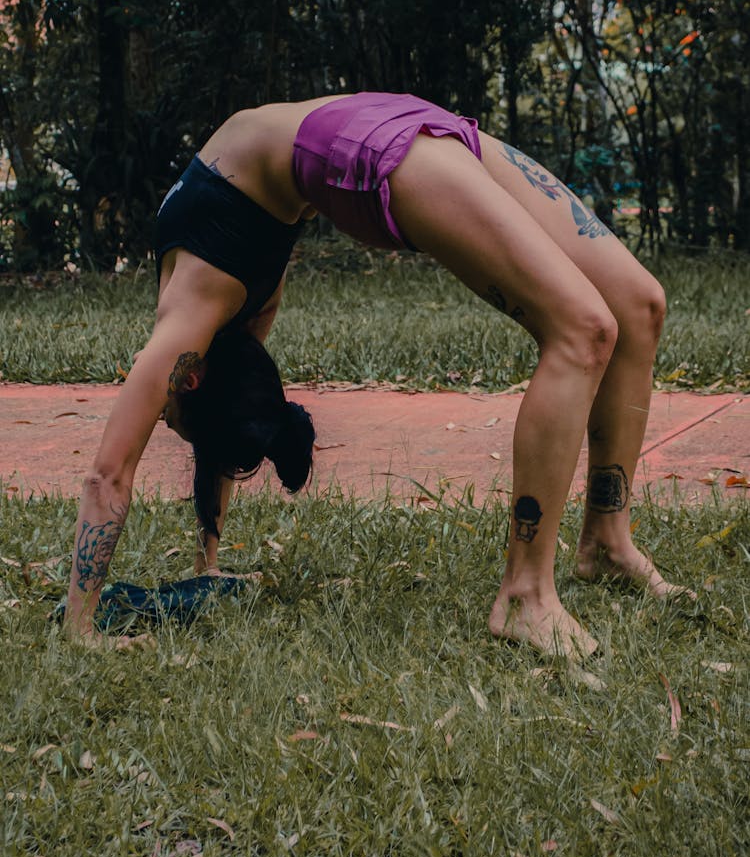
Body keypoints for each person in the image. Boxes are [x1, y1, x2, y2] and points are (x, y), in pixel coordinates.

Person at [64, 92, 692, 658]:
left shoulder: (185, 325)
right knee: (590, 327)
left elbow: (109, 472)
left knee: (636, 307)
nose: (160, 409)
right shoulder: (232, 317)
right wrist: (209, 564)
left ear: (191, 380)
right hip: (388, 128)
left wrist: (82, 624)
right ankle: (527, 596)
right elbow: (222, 430)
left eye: (167, 415)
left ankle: (605, 544)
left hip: (378, 142)